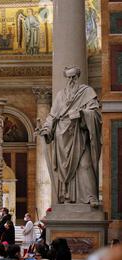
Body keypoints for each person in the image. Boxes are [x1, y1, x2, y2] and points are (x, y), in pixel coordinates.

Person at [39, 66, 101, 205]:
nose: (71, 80)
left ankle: (91, 196)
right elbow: (52, 116)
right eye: (68, 77)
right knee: (65, 172)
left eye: (73, 77)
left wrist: (82, 114)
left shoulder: (87, 92)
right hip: (62, 137)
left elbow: (95, 112)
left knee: (85, 164)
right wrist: (47, 129)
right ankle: (67, 197)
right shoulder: (61, 95)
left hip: (78, 133)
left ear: (78, 77)